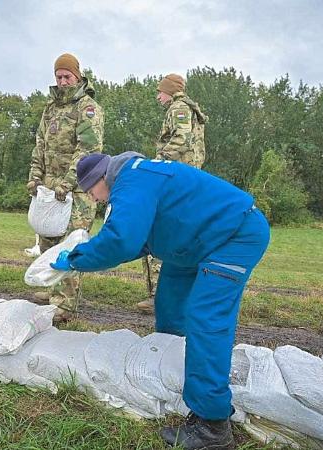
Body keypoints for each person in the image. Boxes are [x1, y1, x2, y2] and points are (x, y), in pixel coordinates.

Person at [50, 152, 270, 450]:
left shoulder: (131, 179)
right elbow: (140, 239)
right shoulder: (137, 178)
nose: (95, 199)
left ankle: (213, 425)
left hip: (232, 236)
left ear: (102, 178)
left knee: (205, 317)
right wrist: (89, 251)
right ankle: (170, 373)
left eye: (91, 192)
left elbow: (120, 240)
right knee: (169, 304)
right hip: (191, 243)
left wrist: (77, 259)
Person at [26, 53, 104, 321]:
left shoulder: (87, 107)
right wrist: (35, 177)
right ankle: (50, 289)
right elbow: (40, 145)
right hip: (49, 189)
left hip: (78, 189)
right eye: (58, 77)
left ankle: (65, 304)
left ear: (78, 76)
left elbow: (89, 148)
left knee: (70, 243)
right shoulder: (50, 109)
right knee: (47, 239)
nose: (62, 81)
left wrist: (68, 182)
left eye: (67, 76)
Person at [139, 73, 210, 314]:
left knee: (158, 233)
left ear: (170, 91)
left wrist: (157, 161)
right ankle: (175, 295)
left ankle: (158, 296)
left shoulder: (178, 108)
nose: (158, 96)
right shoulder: (189, 109)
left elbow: (182, 137)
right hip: (188, 181)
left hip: (176, 180)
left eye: (160, 91)